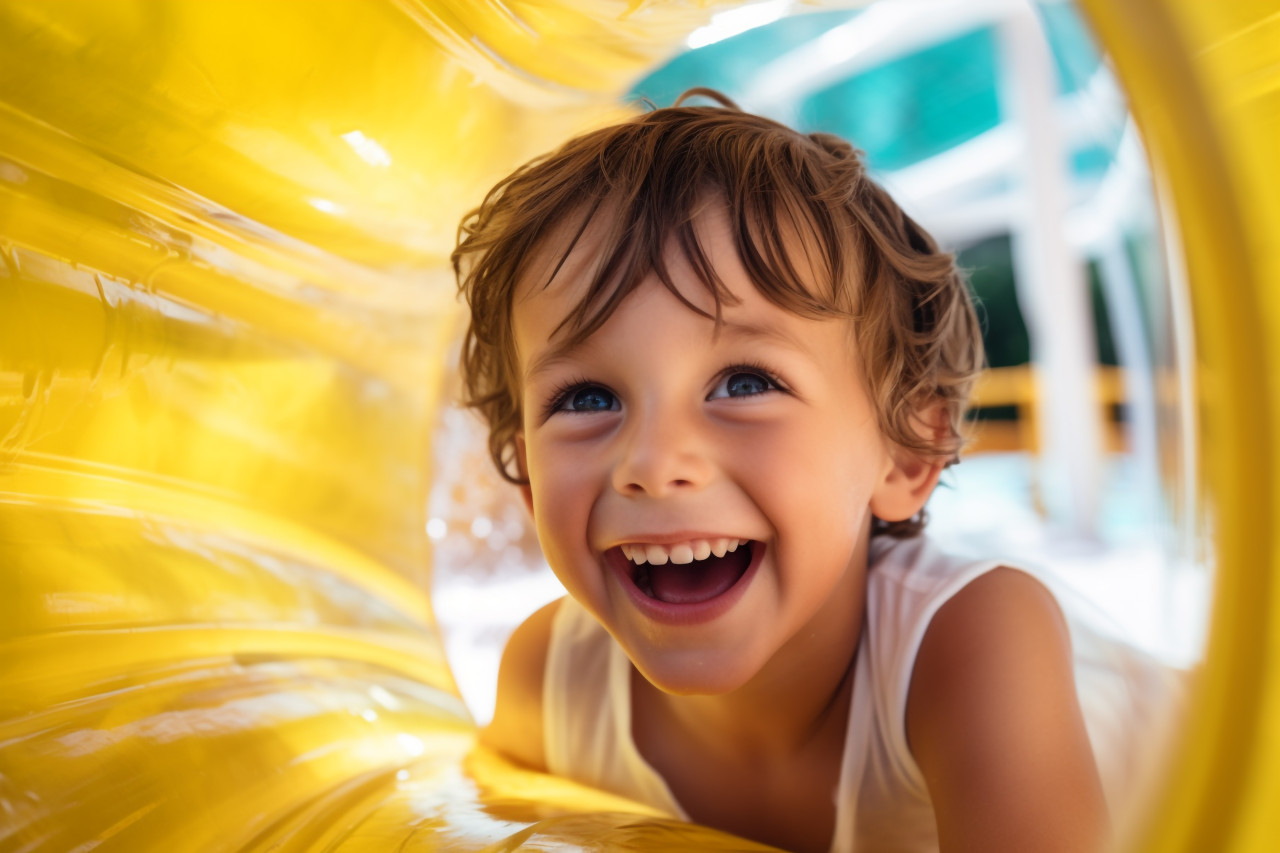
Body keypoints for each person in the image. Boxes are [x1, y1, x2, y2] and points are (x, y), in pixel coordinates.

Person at [452, 89, 1150, 853]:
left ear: (906, 453)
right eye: (586, 398)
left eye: (745, 383)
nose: (652, 463)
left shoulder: (974, 643)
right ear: (527, 478)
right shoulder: (547, 683)